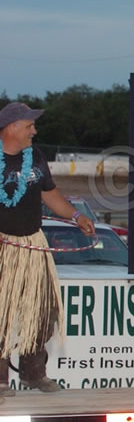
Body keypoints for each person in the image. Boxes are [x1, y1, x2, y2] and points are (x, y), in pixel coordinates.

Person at [0, 102, 96, 398]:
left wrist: (76, 216)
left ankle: (33, 373)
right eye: (29, 126)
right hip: (3, 248)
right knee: (1, 313)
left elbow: (51, 196)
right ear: (12, 127)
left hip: (32, 244)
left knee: (42, 310)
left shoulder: (36, 157)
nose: (35, 131)